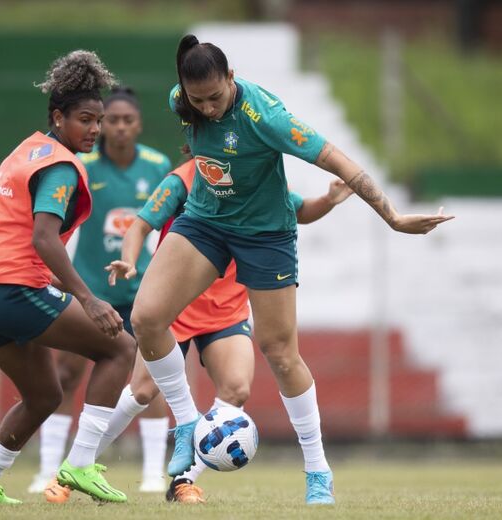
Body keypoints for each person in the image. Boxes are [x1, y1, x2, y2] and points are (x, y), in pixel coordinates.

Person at [127, 35, 455, 506]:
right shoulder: (182, 100)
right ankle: (185, 425)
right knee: (145, 318)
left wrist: (394, 217)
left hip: (265, 234)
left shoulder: (268, 118)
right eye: (198, 100)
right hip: (204, 222)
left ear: (232, 79)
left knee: (279, 352)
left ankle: (318, 471)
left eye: (216, 97)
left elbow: (342, 161)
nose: (208, 108)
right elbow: (195, 120)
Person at [104, 158, 353, 504]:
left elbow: (301, 210)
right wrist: (129, 260)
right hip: (177, 305)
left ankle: (183, 480)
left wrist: (328, 199)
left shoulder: (258, 177)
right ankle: (79, 463)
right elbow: (140, 225)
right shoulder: (184, 179)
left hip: (226, 311)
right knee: (142, 391)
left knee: (236, 388)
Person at [0, 50, 135, 505]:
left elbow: (13, 232)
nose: (94, 129)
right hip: (10, 290)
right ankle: (80, 463)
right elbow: (44, 238)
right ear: (58, 117)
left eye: (99, 120)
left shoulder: (26, 150)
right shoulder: (59, 165)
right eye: (85, 120)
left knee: (43, 394)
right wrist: (89, 299)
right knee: (120, 347)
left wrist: (51, 281)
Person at [29, 86, 173, 500]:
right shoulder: (81, 166)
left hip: (141, 290)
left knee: (150, 380)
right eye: (111, 119)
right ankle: (47, 471)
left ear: (139, 124)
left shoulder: (157, 164)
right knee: (66, 374)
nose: (120, 127)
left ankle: (151, 474)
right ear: (102, 123)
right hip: (91, 289)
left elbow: (163, 227)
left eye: (128, 120)